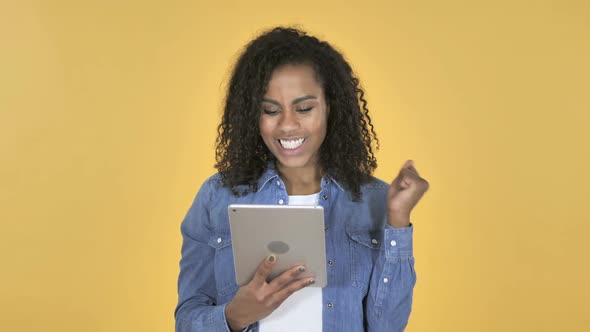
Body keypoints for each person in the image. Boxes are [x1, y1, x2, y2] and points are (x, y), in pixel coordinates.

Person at [175, 26, 429, 332]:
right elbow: (186, 321)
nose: (287, 125)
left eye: (305, 108)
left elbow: (387, 326)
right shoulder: (216, 198)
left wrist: (398, 220)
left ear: (330, 107)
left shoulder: (375, 201)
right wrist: (236, 315)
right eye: (270, 110)